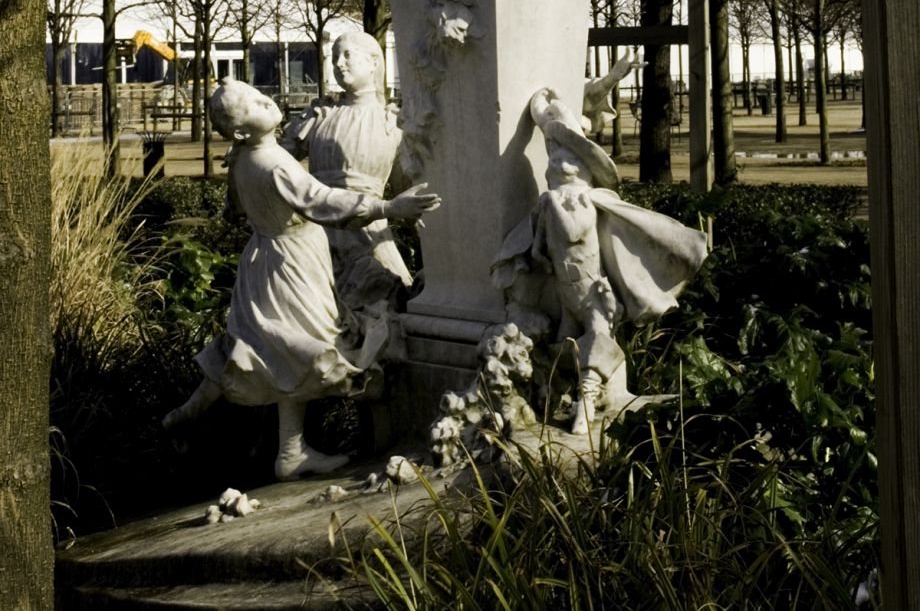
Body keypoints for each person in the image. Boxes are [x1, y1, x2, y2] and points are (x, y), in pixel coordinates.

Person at [163, 78, 439, 480]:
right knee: (303, 347)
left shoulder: (242, 155)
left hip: (262, 262)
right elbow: (322, 201)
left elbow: (235, 207)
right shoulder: (273, 163)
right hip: (292, 265)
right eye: (255, 105)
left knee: (272, 349)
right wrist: (388, 206)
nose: (267, 100)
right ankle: (285, 450)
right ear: (241, 131)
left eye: (260, 94)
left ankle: (205, 419)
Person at [492, 88, 707, 433]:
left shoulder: (582, 202)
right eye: (555, 159)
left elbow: (575, 232)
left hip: (593, 292)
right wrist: (537, 256)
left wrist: (554, 206)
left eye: (571, 162)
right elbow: (539, 246)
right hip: (565, 290)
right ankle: (555, 397)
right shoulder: (549, 203)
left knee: (598, 338)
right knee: (564, 345)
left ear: (585, 170)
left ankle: (587, 403)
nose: (560, 165)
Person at [281, 31, 412, 310]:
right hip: (314, 232)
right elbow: (281, 161)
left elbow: (405, 189)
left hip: (366, 233)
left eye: (348, 54)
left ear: (374, 62)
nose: (339, 63)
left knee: (377, 305)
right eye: (334, 57)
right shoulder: (320, 114)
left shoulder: (393, 122)